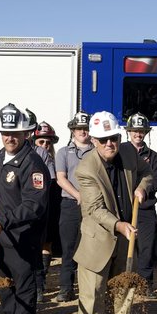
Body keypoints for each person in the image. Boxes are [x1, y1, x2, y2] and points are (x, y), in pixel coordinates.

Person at [73, 112, 152, 314]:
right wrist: (118, 225)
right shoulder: (86, 169)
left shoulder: (128, 152)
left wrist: (143, 187)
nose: (110, 144)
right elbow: (95, 210)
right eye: (104, 139)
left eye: (114, 138)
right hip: (98, 241)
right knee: (93, 298)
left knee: (123, 294)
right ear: (94, 141)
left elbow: (147, 173)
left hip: (125, 241)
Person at [0, 104, 50, 314]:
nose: (9, 138)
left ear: (26, 134)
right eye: (5, 133)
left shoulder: (33, 164)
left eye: (14, 133)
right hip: (2, 236)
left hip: (24, 237)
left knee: (23, 286)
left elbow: (35, 204)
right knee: (6, 287)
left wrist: (4, 221)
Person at [122, 113, 157, 292]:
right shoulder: (121, 151)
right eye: (135, 131)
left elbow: (155, 179)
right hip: (123, 209)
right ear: (129, 131)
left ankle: (146, 284)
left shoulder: (153, 156)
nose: (138, 134)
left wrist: (143, 190)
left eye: (141, 131)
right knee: (123, 248)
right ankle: (123, 282)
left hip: (145, 209)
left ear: (146, 133)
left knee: (146, 249)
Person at [55, 111, 92, 303]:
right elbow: (61, 178)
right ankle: (66, 288)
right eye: (79, 128)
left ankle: (88, 289)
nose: (83, 132)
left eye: (86, 128)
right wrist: (78, 195)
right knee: (68, 249)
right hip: (70, 204)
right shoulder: (63, 152)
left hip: (94, 206)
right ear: (72, 131)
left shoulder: (97, 151)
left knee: (91, 248)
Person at [33, 121, 62, 300]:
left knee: (47, 244)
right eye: (41, 142)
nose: (45, 145)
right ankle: (35, 284)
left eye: (48, 142)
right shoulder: (31, 157)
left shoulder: (57, 160)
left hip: (52, 204)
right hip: (35, 205)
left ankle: (41, 282)